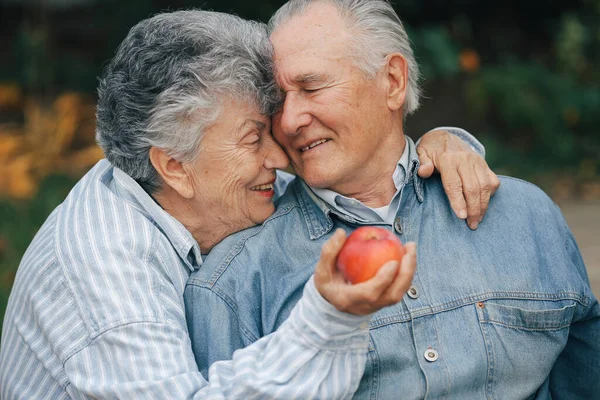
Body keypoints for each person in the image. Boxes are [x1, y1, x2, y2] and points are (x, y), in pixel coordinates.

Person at [0, 9, 495, 399]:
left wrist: (439, 145)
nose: (280, 157)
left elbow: (361, 167)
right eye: (254, 136)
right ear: (173, 166)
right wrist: (325, 320)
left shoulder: (181, 179)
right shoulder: (108, 276)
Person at [185, 1, 600, 398]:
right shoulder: (233, 281)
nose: (291, 120)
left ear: (393, 82)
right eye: (277, 101)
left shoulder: (527, 216)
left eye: (312, 87)